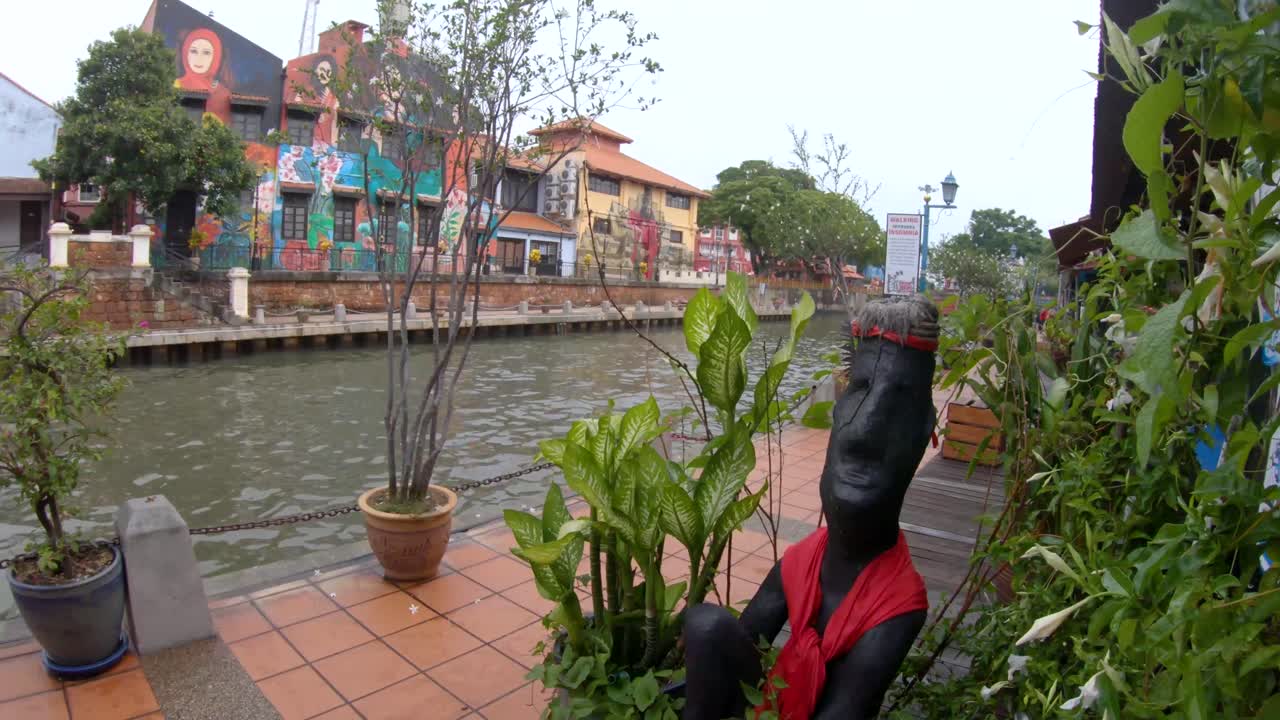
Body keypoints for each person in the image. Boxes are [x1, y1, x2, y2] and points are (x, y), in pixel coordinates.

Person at [683, 295, 937, 720]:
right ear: (837, 411)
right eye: (860, 392)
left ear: (926, 430)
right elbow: (745, 645)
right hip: (778, 702)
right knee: (706, 627)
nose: (866, 429)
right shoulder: (803, 562)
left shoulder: (897, 608)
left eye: (898, 400)